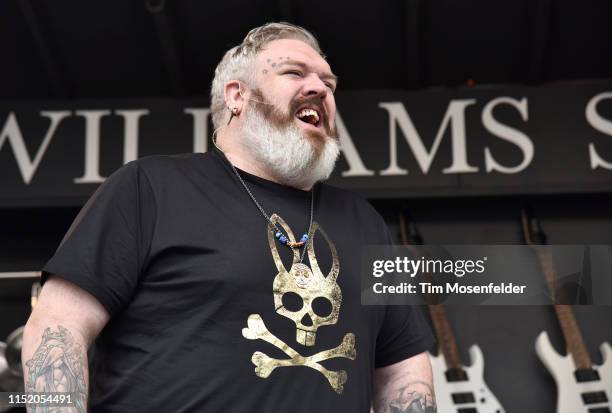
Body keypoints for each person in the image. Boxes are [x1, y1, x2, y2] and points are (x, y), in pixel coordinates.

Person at [22, 22, 436, 412]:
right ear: (236, 96)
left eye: (328, 83)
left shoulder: (364, 222)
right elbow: (58, 328)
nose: (319, 89)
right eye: (295, 73)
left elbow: (403, 369)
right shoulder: (149, 188)